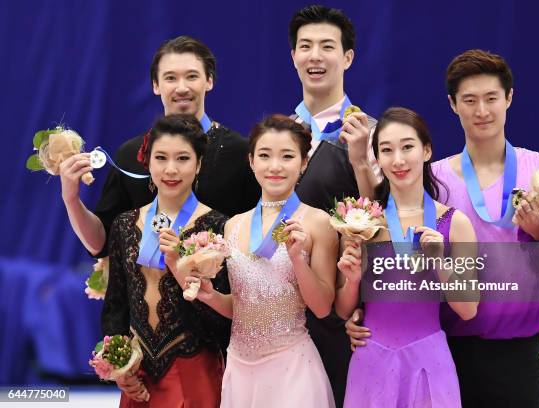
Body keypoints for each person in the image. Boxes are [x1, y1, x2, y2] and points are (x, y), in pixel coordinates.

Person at [346, 50, 539, 407]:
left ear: (509, 97)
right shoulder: (433, 179)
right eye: (469, 100)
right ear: (452, 104)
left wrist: (538, 233)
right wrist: (368, 311)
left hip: (517, 353)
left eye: (491, 98)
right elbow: (385, 236)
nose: (482, 111)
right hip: (446, 348)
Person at [181, 115, 337, 407]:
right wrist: (212, 296)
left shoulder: (317, 222)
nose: (275, 166)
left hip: (293, 369)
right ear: (251, 161)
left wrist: (298, 260)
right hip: (240, 369)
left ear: (304, 163)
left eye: (287, 156)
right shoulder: (233, 225)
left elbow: (322, 307)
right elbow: (243, 307)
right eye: (264, 155)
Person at [59, 35, 259, 257]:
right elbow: (101, 244)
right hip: (143, 288)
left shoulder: (241, 153)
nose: (182, 88)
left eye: (192, 76)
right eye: (170, 78)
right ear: (156, 85)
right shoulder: (129, 154)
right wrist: (71, 199)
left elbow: (256, 239)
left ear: (209, 81)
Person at [336, 107, 478, 407]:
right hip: (370, 359)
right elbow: (343, 309)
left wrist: (440, 261)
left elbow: (468, 309)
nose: (398, 160)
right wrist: (351, 281)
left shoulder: (455, 223)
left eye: (407, 147)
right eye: (386, 150)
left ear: (426, 150)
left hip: (429, 362)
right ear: (377, 158)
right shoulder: (362, 224)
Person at [102, 115, 230, 407]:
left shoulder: (219, 227)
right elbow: (116, 305)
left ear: (199, 164)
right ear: (147, 163)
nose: (171, 169)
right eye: (161, 158)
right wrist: (119, 365)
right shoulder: (124, 225)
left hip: (194, 368)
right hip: (138, 374)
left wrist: (179, 263)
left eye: (183, 158)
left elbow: (222, 321)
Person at [288, 6, 381, 403]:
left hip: (343, 316)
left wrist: (361, 160)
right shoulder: (277, 136)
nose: (315, 56)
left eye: (327, 46)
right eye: (305, 46)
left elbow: (386, 223)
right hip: (280, 315)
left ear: (348, 57)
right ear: (293, 56)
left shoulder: (375, 134)